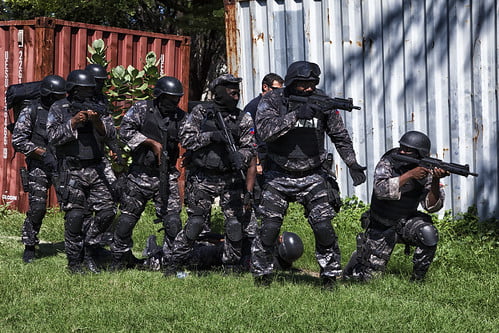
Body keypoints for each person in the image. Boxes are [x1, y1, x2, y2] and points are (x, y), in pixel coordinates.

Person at [250, 60, 367, 288]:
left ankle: (330, 275)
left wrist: (352, 163)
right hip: (278, 174)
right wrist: (296, 115)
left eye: (313, 84)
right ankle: (262, 274)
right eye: (304, 84)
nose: (310, 88)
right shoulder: (273, 100)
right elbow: (264, 131)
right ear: (293, 82)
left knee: (323, 227)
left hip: (313, 174)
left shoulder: (322, 102)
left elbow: (340, 136)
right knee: (269, 228)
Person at [164, 74, 257, 275]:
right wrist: (212, 136)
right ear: (220, 92)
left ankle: (231, 266)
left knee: (234, 224)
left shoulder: (243, 118)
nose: (236, 96)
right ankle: (174, 262)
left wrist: (241, 155)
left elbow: (250, 146)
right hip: (202, 178)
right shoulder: (201, 112)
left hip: (230, 178)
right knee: (195, 223)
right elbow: (187, 140)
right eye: (231, 92)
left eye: (237, 92)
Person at [343, 131, 447, 282]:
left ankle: (417, 282)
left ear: (420, 154)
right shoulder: (389, 161)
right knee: (369, 280)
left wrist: (436, 181)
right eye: (401, 147)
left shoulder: (427, 168)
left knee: (428, 233)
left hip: (405, 222)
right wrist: (410, 175)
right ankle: (358, 259)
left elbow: (431, 207)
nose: (402, 151)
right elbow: (380, 190)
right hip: (381, 225)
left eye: (407, 150)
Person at [109, 76, 186, 270]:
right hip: (139, 175)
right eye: (169, 99)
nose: (173, 104)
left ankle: (171, 262)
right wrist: (150, 143)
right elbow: (125, 132)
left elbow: (190, 138)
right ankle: (119, 259)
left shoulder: (180, 117)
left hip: (166, 175)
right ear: (159, 96)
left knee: (173, 221)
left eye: (176, 100)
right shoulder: (142, 109)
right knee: (126, 220)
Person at [47, 69, 117, 274]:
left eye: (90, 90)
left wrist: (96, 122)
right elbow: (52, 137)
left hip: (96, 168)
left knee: (107, 211)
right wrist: (73, 122)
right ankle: (75, 264)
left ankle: (89, 248)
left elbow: (111, 134)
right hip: (71, 169)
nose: (87, 93)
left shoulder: (99, 108)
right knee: (75, 217)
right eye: (83, 90)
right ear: (72, 89)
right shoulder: (59, 107)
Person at [12, 75, 66, 263]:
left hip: (61, 164)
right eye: (56, 96)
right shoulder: (31, 110)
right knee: (37, 207)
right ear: (47, 95)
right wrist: (43, 154)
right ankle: (29, 245)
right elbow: (18, 140)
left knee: (71, 206)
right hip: (39, 164)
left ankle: (76, 245)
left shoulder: (64, 110)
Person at [143, 231, 304, 273]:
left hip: (218, 256)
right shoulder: (278, 263)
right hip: (225, 252)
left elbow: (244, 253)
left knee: (190, 254)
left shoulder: (263, 257)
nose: (278, 236)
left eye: (281, 239)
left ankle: (157, 257)